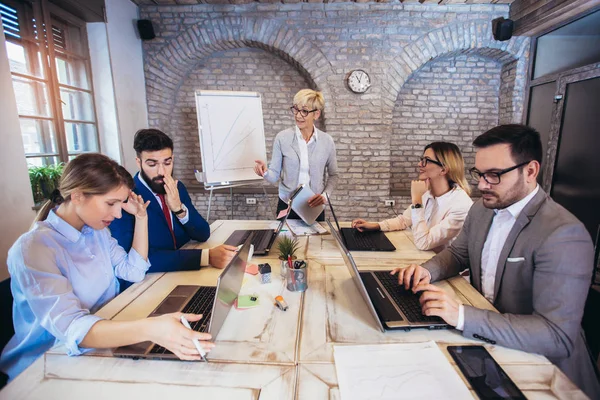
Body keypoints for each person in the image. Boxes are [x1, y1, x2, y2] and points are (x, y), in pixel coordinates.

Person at [392, 125, 600, 398]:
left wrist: (461, 315)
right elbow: (458, 254)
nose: (482, 185)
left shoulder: (563, 234)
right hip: (488, 348)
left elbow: (556, 336)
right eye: (479, 174)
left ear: (530, 171)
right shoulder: (482, 209)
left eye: (494, 175)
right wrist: (426, 271)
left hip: (545, 374)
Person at [0, 153, 214, 382]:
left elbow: (133, 271)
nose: (118, 213)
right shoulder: (33, 248)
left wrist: (141, 218)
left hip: (101, 342)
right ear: (78, 196)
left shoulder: (97, 232)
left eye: (121, 204)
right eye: (111, 204)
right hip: (45, 367)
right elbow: (73, 330)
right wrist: (150, 329)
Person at [110, 129, 237, 277]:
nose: (162, 171)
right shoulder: (127, 197)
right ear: (139, 163)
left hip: (183, 273)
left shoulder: (177, 187)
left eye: (167, 163)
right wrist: (205, 257)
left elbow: (203, 233)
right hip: (149, 281)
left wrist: (179, 209)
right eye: (152, 164)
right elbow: (139, 260)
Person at [352, 142, 473, 253]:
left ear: (443, 169)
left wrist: (417, 201)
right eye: (422, 159)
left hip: (443, 271)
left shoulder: (461, 205)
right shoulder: (429, 193)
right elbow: (404, 220)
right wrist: (375, 226)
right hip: (423, 259)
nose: (420, 164)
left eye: (426, 160)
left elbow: (424, 243)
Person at [254, 89, 338, 221]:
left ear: (316, 114)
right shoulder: (282, 138)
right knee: (284, 242)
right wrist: (264, 172)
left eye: (304, 111)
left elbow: (334, 175)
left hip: (314, 206)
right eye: (296, 109)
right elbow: (274, 175)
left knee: (316, 241)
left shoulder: (327, 141)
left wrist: (325, 196)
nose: (298, 115)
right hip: (287, 204)